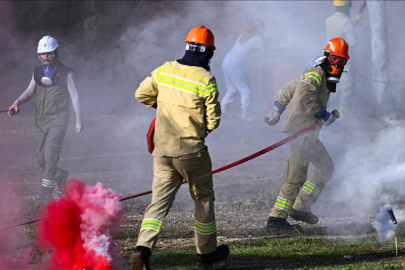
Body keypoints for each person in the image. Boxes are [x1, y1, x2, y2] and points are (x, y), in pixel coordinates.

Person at [130, 26, 229, 270]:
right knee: (203, 199)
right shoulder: (206, 80)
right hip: (192, 153)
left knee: (158, 202)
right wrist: (197, 125)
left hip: (162, 152)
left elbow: (141, 94)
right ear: (208, 53)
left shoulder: (165, 70)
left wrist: (162, 107)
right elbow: (214, 121)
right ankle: (206, 254)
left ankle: (141, 250)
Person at [264, 38, 350, 230]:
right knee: (296, 174)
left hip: (309, 133)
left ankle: (301, 207)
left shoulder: (319, 74)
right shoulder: (316, 73)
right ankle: (276, 218)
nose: (339, 65)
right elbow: (304, 95)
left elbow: (290, 88)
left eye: (343, 62)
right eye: (336, 59)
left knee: (326, 166)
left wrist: (277, 110)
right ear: (329, 57)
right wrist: (323, 114)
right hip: (300, 131)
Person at [8, 35, 84, 202]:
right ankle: (60, 176)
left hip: (59, 121)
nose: (45, 57)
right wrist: (16, 103)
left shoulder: (66, 73)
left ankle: (45, 192)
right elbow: (29, 92)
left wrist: (78, 120)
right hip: (41, 123)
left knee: (50, 157)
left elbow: (74, 95)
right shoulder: (37, 72)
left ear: (55, 53)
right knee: (41, 159)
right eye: (42, 54)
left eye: (49, 53)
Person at [221, 19, 270, 120]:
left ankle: (223, 110)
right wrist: (283, 47)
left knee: (231, 89)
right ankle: (245, 115)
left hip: (226, 60)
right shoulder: (256, 39)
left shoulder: (243, 36)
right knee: (245, 90)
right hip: (235, 64)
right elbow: (266, 48)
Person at [325, 0, 363, 116]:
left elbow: (339, 33)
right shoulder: (347, 22)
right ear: (348, 7)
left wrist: (351, 23)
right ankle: (343, 118)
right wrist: (353, 25)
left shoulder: (329, 20)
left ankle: (330, 115)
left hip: (332, 59)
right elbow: (353, 42)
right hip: (344, 60)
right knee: (346, 89)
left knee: (334, 87)